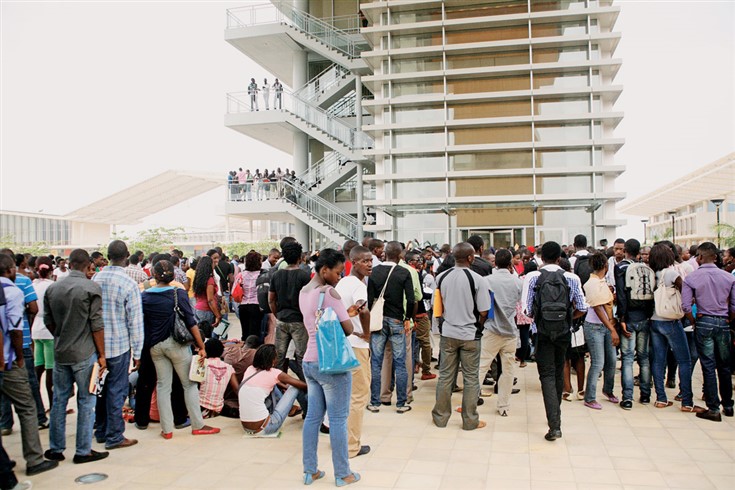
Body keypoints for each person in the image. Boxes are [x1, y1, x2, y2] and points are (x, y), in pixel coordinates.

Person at [298, 249, 360, 486]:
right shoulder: (329, 292)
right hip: (332, 364)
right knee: (337, 419)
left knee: (312, 418)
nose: (338, 277)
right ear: (324, 271)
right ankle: (343, 473)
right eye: (336, 272)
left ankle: (309, 470)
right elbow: (348, 329)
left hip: (309, 361)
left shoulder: (304, 292)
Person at [43, 249, 109, 464]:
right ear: (87, 264)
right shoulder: (91, 288)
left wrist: (62, 336)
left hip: (61, 351)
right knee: (86, 401)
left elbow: (48, 321)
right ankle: (83, 450)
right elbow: (96, 324)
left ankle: (56, 448)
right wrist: (101, 355)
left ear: (70, 263)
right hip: (85, 352)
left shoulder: (53, 288)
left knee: (59, 400)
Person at [142, 260, 219, 439]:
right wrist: (201, 346)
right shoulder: (178, 293)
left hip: (155, 346)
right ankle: (198, 424)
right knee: (189, 384)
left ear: (153, 275)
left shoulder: (145, 296)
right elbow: (191, 322)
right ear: (174, 276)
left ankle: (167, 429)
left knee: (162, 386)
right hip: (177, 344)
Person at [0, 254, 58, 476]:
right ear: (10, 269)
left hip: (33, 337)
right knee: (27, 405)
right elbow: (16, 325)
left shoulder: (30, 282)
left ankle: (4, 453)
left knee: (38, 370)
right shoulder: (15, 289)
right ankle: (34, 459)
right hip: (15, 352)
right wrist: (19, 355)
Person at [526, 241, 587, 441]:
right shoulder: (571, 277)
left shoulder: (533, 277)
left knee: (546, 375)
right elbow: (582, 307)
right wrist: (568, 319)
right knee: (560, 369)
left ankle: (554, 425)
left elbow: (527, 310)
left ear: (541, 257)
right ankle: (556, 417)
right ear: (560, 258)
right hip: (563, 332)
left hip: (541, 332)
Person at [432, 242, 491, 430]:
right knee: (471, 378)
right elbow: (484, 310)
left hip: (448, 333)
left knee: (445, 377)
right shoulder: (478, 280)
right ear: (471, 258)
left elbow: (437, 308)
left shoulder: (441, 277)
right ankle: (470, 420)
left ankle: (440, 418)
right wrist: (478, 325)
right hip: (470, 334)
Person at [91, 240, 144, 450]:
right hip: (120, 345)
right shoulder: (127, 282)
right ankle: (115, 436)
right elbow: (135, 321)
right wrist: (138, 352)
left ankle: (101, 430)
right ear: (127, 255)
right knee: (116, 390)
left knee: (100, 389)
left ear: (108, 255)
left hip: (98, 346)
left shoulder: (96, 277)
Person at [648, 243, 704, 414]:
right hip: (671, 320)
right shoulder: (671, 273)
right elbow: (685, 290)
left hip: (654, 320)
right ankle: (687, 401)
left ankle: (660, 398)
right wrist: (691, 316)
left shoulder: (651, 274)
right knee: (684, 360)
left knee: (658, 360)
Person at [682, 242, 735, 421]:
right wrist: (728, 318)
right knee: (725, 365)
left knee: (708, 365)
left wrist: (694, 321)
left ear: (701, 257)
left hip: (704, 320)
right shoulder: (728, 277)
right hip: (723, 322)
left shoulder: (692, 278)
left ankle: (713, 408)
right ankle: (728, 405)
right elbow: (734, 305)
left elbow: (686, 306)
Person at [367, 241, 415, 413]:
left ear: (384, 254)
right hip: (397, 321)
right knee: (400, 362)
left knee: (376, 362)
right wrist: (407, 318)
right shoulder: (404, 272)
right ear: (401, 255)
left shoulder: (374, 272)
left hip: (378, 321)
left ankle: (375, 401)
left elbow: (370, 298)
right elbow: (411, 299)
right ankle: (401, 403)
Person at [335, 246, 372, 458]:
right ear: (354, 262)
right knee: (359, 395)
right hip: (357, 344)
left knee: (345, 395)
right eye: (364, 261)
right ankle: (351, 446)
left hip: (343, 342)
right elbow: (363, 309)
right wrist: (366, 333)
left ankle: (340, 440)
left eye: (371, 260)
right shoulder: (358, 286)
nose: (369, 264)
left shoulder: (343, 282)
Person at [478, 249, 522, 416]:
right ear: (511, 263)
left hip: (491, 329)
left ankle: (471, 401)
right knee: (508, 369)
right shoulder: (517, 282)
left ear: (494, 262)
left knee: (481, 366)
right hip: (510, 331)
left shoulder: (486, 281)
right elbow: (519, 302)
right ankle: (503, 406)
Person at [615, 238, 654, 409]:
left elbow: (622, 296)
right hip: (644, 317)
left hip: (629, 318)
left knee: (628, 358)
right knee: (644, 357)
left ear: (625, 251)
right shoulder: (646, 268)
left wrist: (622, 318)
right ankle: (645, 395)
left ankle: (628, 398)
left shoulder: (621, 267)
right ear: (638, 252)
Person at [239, 344, 306, 435]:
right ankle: (308, 414)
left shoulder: (250, 369)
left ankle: (293, 409)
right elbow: (302, 385)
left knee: (273, 386)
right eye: (276, 357)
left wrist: (284, 387)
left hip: (247, 428)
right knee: (295, 387)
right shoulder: (274, 373)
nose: (277, 359)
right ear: (272, 359)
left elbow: (272, 382)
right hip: (267, 428)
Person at [581, 252, 620, 410]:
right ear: (606, 265)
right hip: (595, 326)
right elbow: (597, 307)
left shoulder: (602, 282)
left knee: (611, 361)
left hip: (606, 326)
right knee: (598, 362)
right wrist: (612, 329)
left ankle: (608, 390)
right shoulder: (591, 283)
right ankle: (589, 397)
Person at [31, 257, 56, 409]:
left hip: (36, 328)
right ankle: (53, 404)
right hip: (49, 330)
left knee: (37, 367)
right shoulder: (52, 286)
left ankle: (36, 404)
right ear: (51, 271)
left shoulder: (33, 285)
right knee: (50, 370)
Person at [199, 339, 238, 418]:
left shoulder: (201, 365)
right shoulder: (229, 368)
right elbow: (236, 389)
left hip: (199, 408)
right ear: (221, 352)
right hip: (218, 410)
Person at [235, 251, 264, 340]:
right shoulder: (261, 275)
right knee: (255, 333)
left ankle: (245, 351)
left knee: (245, 332)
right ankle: (253, 352)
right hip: (256, 306)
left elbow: (234, 290)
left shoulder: (240, 275)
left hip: (243, 306)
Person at [192, 255, 222, 329]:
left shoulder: (198, 279)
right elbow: (210, 300)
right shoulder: (209, 280)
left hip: (198, 309)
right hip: (207, 310)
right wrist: (218, 315)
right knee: (209, 334)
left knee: (202, 334)